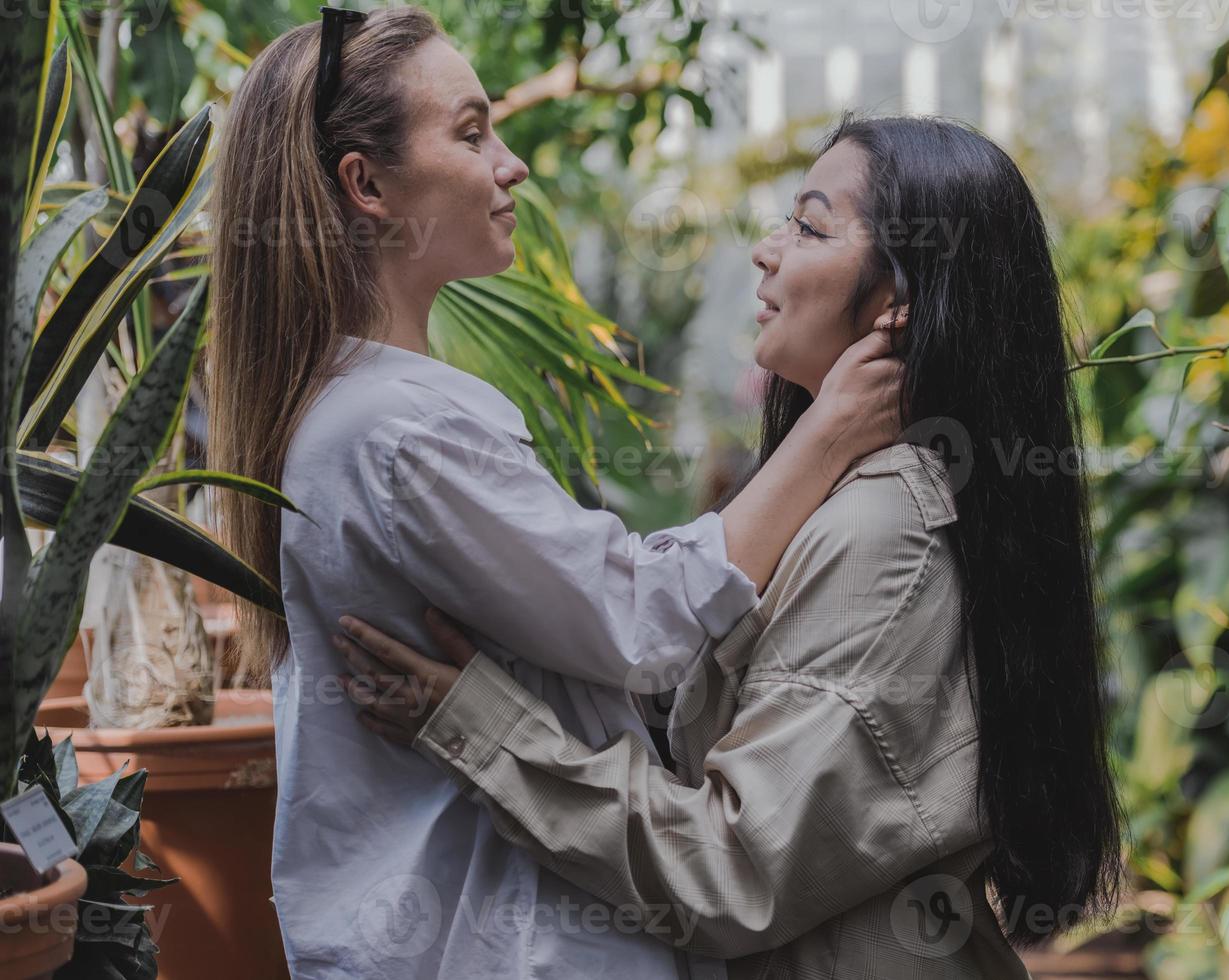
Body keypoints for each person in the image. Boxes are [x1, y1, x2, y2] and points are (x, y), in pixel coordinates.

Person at [341, 114, 1128, 978]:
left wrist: (479, 728)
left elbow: (728, 871)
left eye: (809, 225)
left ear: (899, 301)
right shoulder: (853, 499)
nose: (765, 250)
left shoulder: (885, 534)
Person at [204, 9, 904, 978]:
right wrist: (828, 431)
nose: (510, 163)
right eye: (470, 131)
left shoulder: (349, 405)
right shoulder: (398, 428)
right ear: (366, 186)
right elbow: (640, 623)